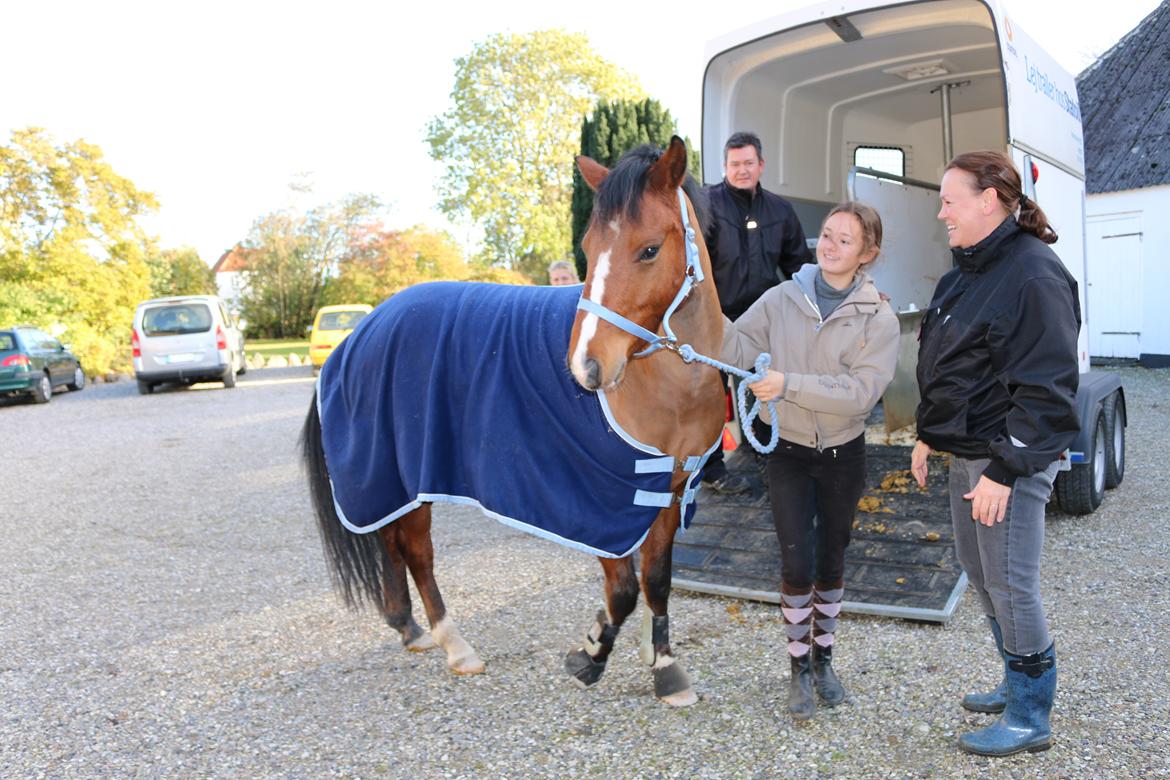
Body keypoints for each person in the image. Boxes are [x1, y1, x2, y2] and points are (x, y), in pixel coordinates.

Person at [911, 151, 1080, 757]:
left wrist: (1006, 471)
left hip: (1007, 461)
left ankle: (1032, 714)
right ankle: (1015, 682)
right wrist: (930, 434)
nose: (941, 213)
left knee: (1010, 584)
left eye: (949, 200)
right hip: (969, 452)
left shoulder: (1033, 274)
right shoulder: (965, 273)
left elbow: (1049, 387)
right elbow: (954, 367)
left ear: (989, 200)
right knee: (981, 575)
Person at [720, 202, 898, 720]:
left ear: (868, 254)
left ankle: (824, 661)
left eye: (845, 240)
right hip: (790, 454)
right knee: (797, 562)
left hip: (844, 454)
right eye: (827, 234)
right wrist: (697, 314)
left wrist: (788, 384)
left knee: (831, 560)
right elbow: (734, 344)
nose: (830, 244)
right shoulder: (780, 299)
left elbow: (860, 394)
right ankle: (798, 667)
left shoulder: (878, 318)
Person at [702, 131, 814, 494]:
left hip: (762, 322)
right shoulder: (705, 205)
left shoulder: (780, 211)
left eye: (749, 163)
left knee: (765, 393)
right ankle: (712, 468)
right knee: (711, 398)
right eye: (735, 164)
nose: (742, 170)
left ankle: (767, 456)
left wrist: (826, 299)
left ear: (761, 165)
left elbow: (798, 264)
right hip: (715, 322)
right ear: (725, 166)